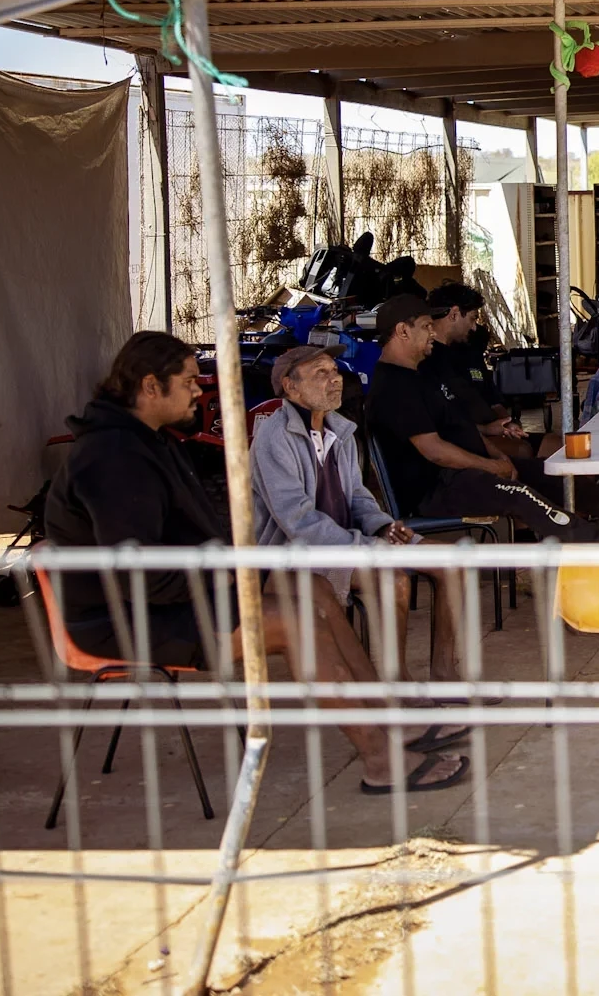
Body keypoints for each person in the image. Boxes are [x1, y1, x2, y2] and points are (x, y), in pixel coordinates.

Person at [44, 332, 468, 793]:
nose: (197, 390)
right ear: (150, 386)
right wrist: (232, 574)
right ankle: (380, 760)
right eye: (188, 381)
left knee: (315, 590)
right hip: (128, 618)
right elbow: (139, 574)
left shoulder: (148, 441)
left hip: (174, 594)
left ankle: (390, 720)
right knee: (295, 621)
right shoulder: (112, 456)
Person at [253, 345, 466, 686]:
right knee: (394, 581)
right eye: (321, 373)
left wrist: (382, 527)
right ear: (291, 387)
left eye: (334, 371)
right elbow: (298, 521)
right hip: (295, 556)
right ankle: (398, 684)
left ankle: (445, 675)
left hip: (351, 543)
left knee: (453, 563)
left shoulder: (339, 430)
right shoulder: (274, 436)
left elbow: (357, 496)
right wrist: (365, 546)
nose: (335, 379)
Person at [366, 295, 599, 538]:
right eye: (426, 326)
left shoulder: (422, 374)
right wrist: (490, 467)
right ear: (403, 331)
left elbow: (462, 427)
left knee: (552, 474)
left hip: (464, 472)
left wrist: (499, 458)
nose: (433, 332)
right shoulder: (393, 386)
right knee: (520, 496)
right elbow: (434, 451)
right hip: (437, 488)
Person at [423, 283, 555, 459]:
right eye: (472, 319)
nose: (474, 327)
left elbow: (493, 399)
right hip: (467, 439)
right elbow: (442, 423)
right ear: (454, 314)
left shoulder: (469, 353)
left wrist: (507, 423)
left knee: (558, 445)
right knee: (522, 451)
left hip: (494, 431)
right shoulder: (427, 360)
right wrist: (485, 430)